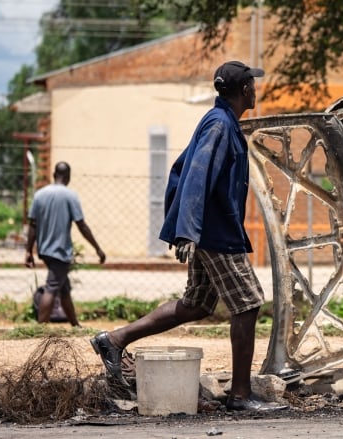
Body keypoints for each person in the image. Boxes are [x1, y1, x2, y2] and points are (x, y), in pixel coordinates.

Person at [90, 61, 287, 412]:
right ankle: (241, 395)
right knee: (249, 302)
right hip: (215, 233)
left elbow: (181, 168)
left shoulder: (220, 122)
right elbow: (196, 174)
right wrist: (188, 230)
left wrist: (188, 228)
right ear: (245, 90)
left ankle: (114, 340)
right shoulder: (220, 125)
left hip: (210, 230)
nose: (256, 90)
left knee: (196, 304)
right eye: (253, 85)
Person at [25, 162, 106, 327]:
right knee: (52, 287)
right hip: (60, 251)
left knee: (64, 288)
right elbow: (81, 225)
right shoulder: (70, 196)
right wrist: (97, 248)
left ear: (54, 174)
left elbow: (33, 225)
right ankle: (40, 327)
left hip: (45, 250)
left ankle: (75, 325)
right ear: (68, 177)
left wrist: (28, 251)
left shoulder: (40, 195)